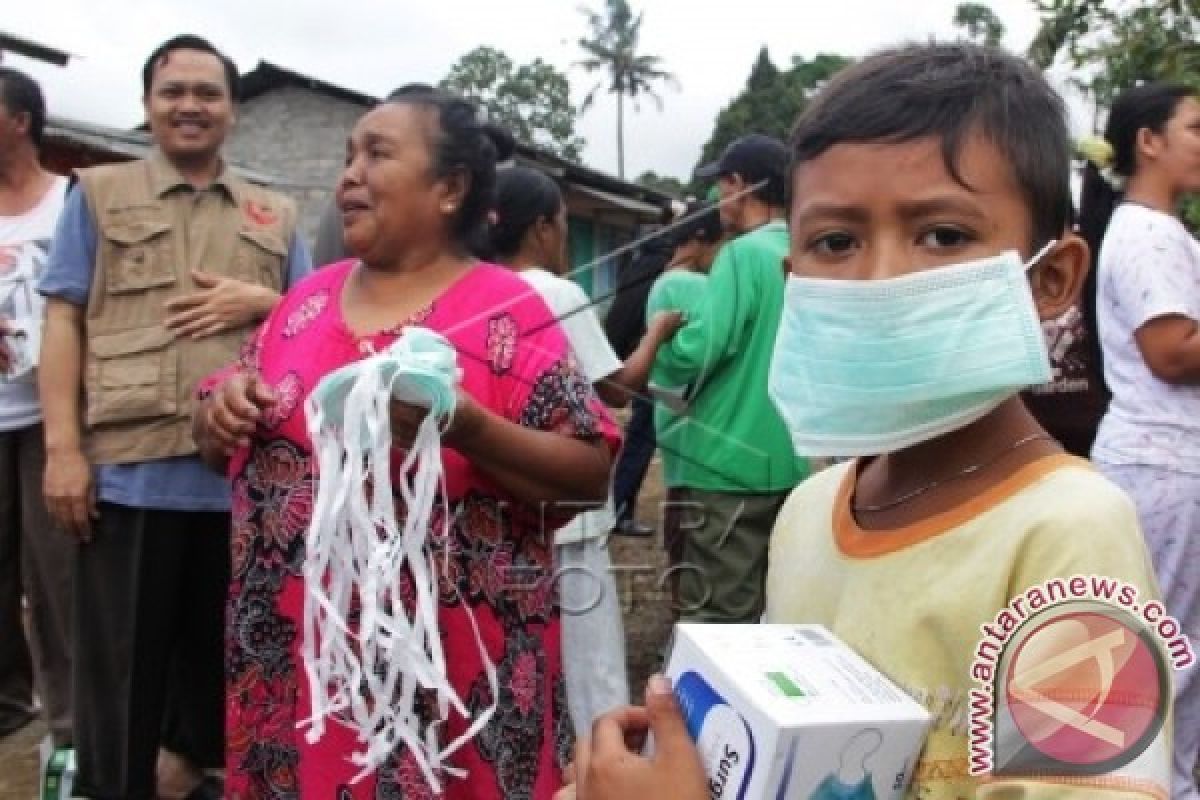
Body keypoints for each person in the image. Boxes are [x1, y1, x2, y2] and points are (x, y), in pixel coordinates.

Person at [560, 42, 1170, 800]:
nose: (881, 279)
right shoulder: (811, 511)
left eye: (943, 234)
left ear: (1050, 280)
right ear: (796, 282)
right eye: (836, 242)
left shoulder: (1073, 533)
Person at [194, 87, 620, 799]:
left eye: (378, 154)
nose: (349, 175)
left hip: (452, 688)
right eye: (348, 156)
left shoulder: (507, 311)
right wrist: (219, 413)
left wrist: (467, 426)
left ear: (449, 187)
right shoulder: (304, 303)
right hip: (299, 678)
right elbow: (223, 433)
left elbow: (587, 472)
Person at [38, 35, 311, 800]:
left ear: (231, 109)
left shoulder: (275, 212)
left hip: (243, 492)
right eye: (173, 92)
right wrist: (64, 452)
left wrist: (265, 302)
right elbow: (63, 321)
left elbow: (315, 323)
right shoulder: (95, 194)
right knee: (120, 687)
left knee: (231, 686)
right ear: (149, 106)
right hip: (128, 487)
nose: (190, 105)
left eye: (208, 92)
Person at [1080, 81, 1200, 800]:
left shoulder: (1156, 230)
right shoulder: (1149, 232)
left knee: (1162, 652)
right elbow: (1173, 351)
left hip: (1162, 464)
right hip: (1165, 465)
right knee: (1165, 656)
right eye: (1196, 127)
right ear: (1147, 142)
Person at [652, 133, 809, 624]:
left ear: (739, 185)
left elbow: (700, 353)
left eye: (719, 186)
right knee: (773, 605)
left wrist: (660, 338)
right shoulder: (811, 253)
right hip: (793, 460)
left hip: (726, 463)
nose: (717, 200)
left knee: (720, 617)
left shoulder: (743, 255)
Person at [0, 67, 72, 748]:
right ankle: (5, 704)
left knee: (55, 574)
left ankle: (70, 716)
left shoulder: (69, 201)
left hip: (51, 414)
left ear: (19, 120)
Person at [642, 200, 723, 605]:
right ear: (701, 238)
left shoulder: (665, 280)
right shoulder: (692, 285)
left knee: (681, 516)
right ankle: (686, 610)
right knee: (694, 524)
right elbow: (700, 352)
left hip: (671, 410)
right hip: (695, 414)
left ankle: (681, 606)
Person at [604, 222, 674, 536]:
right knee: (641, 440)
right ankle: (620, 510)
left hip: (629, 361)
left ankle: (618, 508)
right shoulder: (660, 276)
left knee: (637, 438)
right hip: (647, 367)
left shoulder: (635, 270)